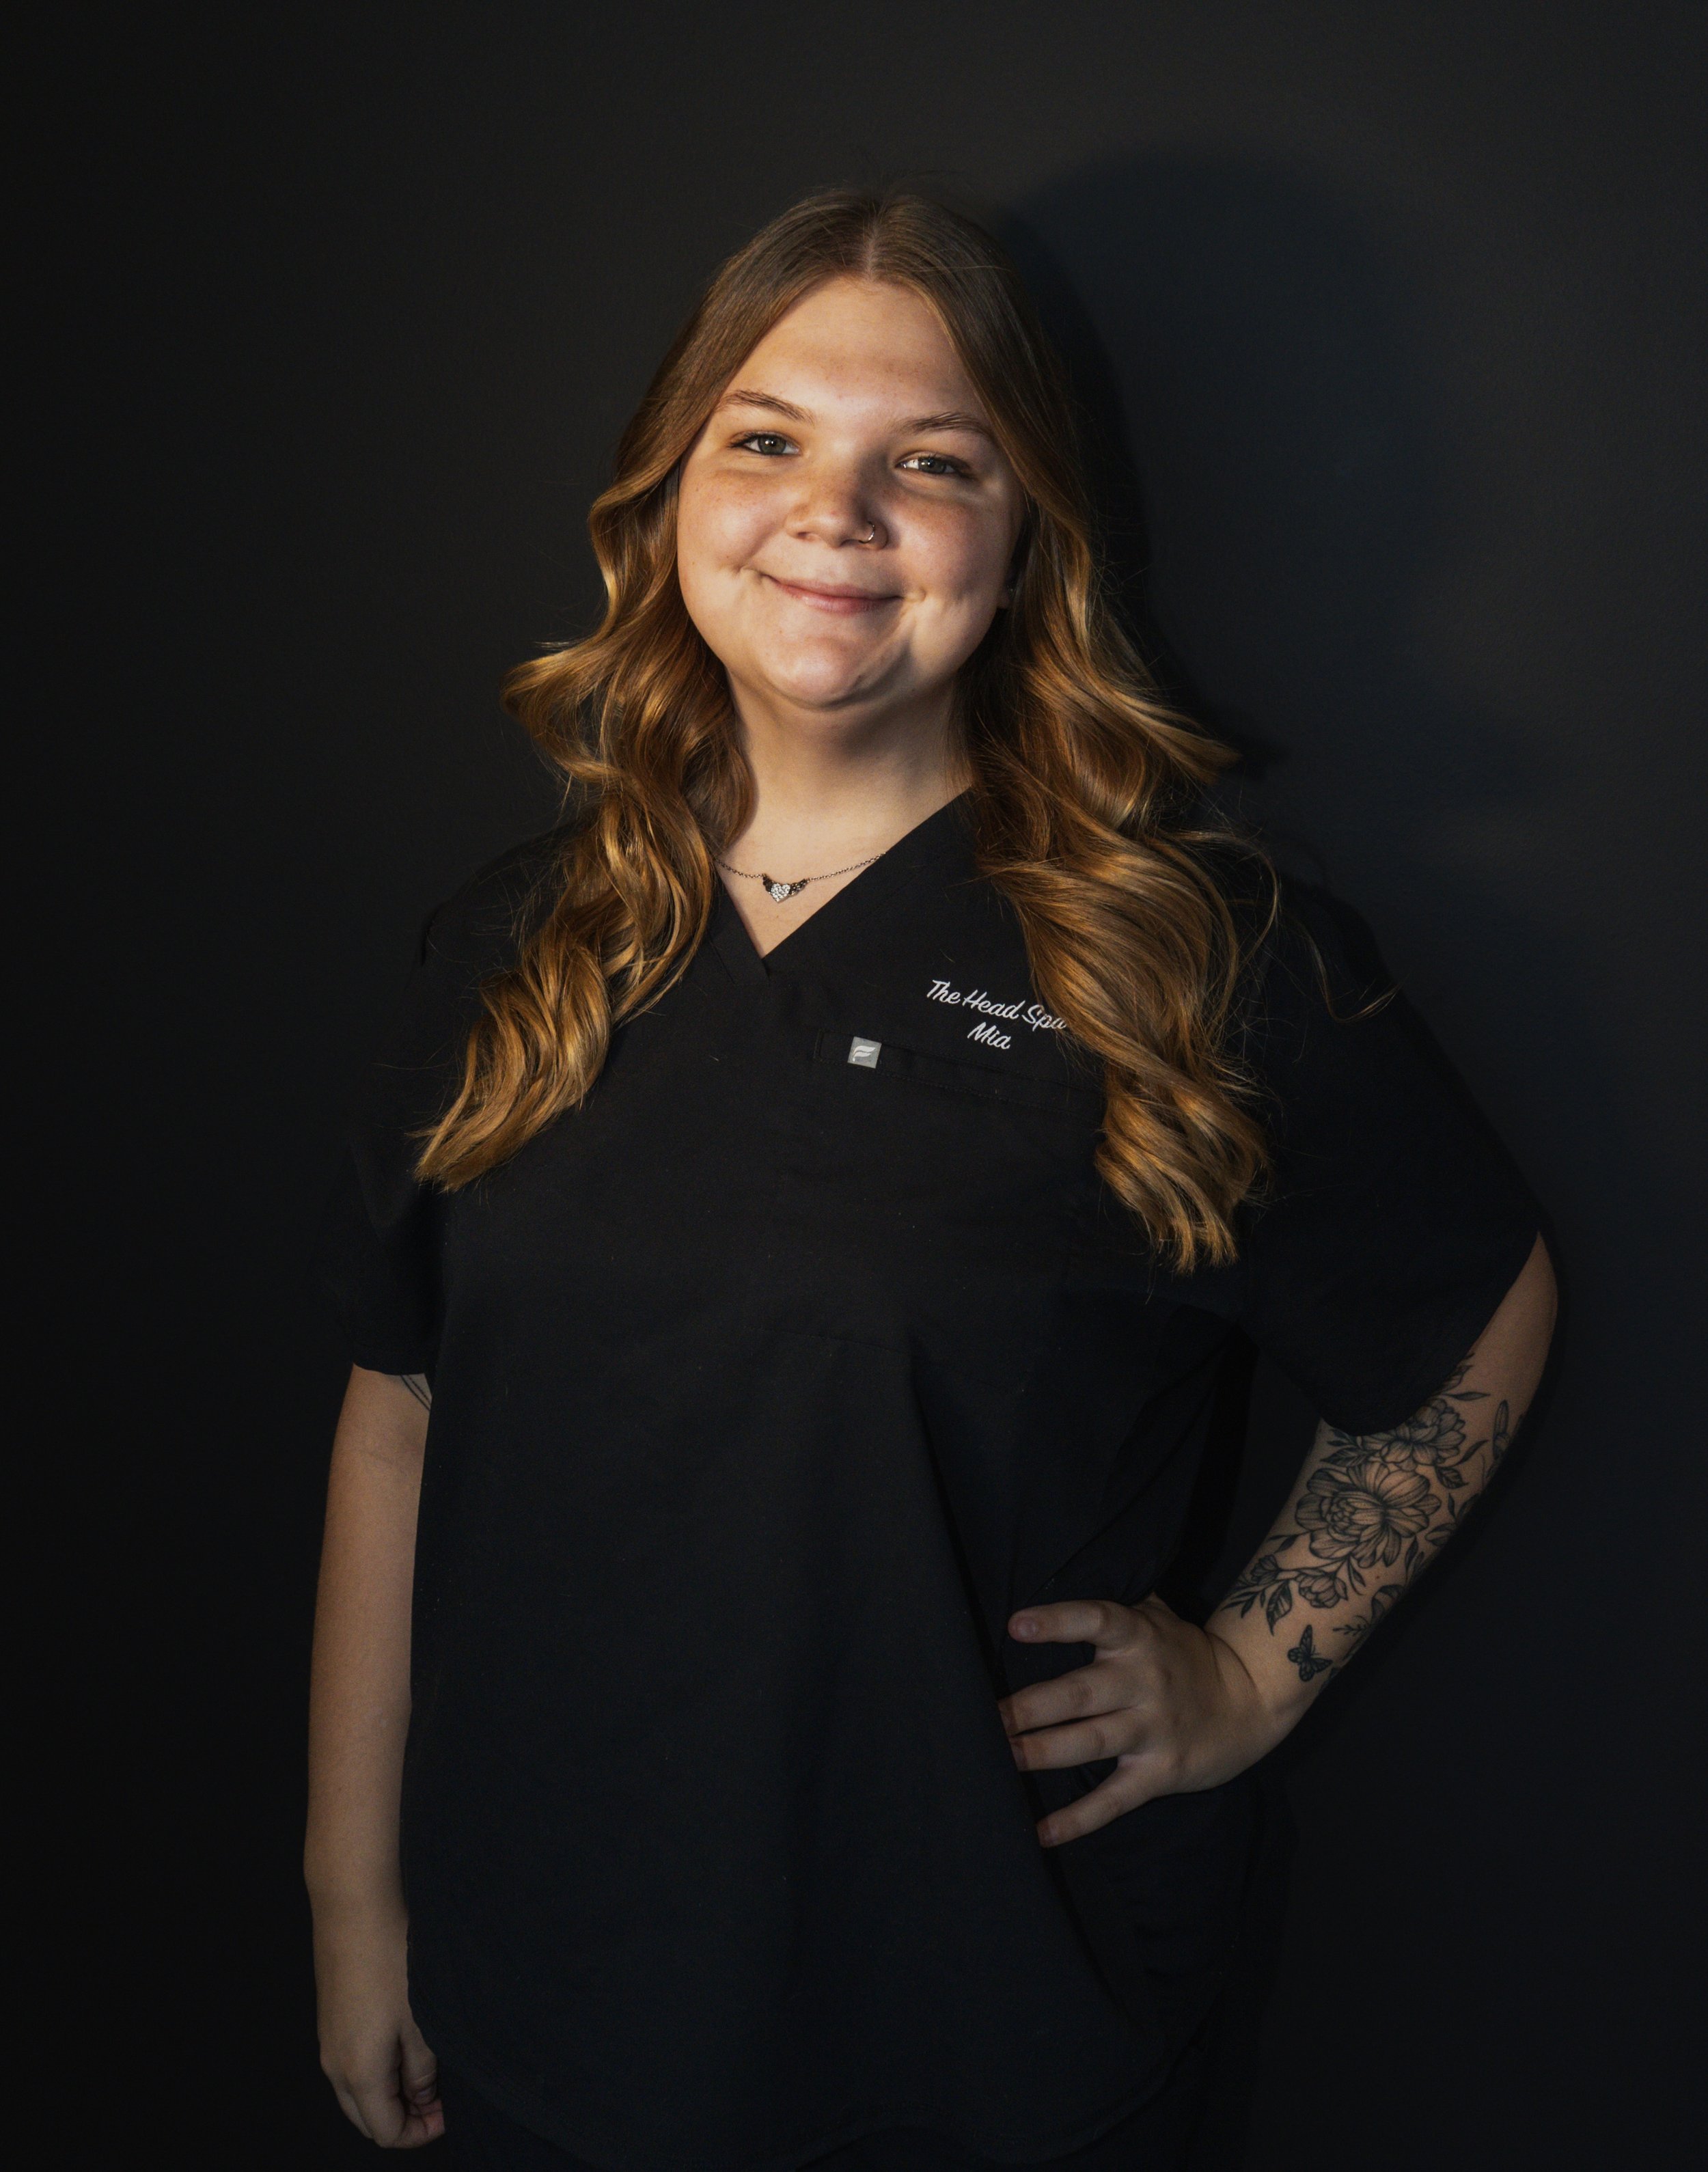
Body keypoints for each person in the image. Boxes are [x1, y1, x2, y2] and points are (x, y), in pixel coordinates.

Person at [307, 189, 1556, 2171]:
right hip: (541, 1995)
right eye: (769, 437)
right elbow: (402, 1406)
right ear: (665, 492)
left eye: (934, 461)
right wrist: (352, 1903)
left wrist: (1247, 1666)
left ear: (1024, 531)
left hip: (987, 2038)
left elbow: (1472, 1311)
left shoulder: (1192, 961)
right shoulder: (517, 941)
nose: (839, 511)